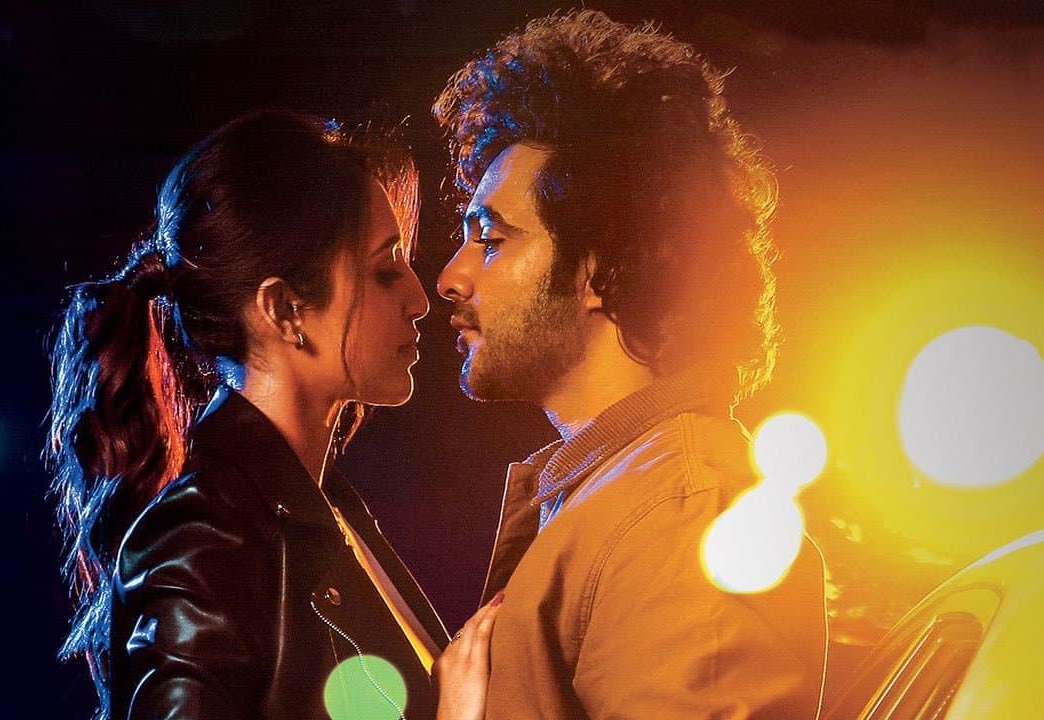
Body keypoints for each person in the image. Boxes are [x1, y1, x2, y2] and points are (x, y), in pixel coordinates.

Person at [433, 10, 828, 718]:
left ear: (600, 270)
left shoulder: (682, 515)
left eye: (491, 240)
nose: (450, 278)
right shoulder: (618, 494)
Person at [46, 110, 497, 720]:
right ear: (285, 309)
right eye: (385, 269)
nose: (420, 298)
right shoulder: (206, 535)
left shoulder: (320, 510)